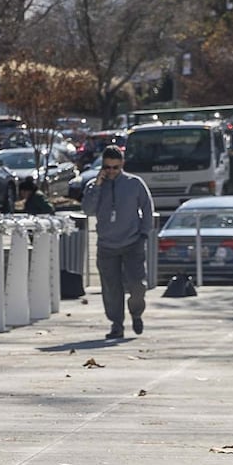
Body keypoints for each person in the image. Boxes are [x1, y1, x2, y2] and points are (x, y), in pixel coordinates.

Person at [80, 145, 154, 339]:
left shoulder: (134, 183)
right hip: (107, 245)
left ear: (122, 165)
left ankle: (136, 313)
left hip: (132, 243)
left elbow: (147, 208)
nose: (111, 171)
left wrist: (144, 233)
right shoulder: (94, 186)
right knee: (111, 288)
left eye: (115, 167)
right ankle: (116, 324)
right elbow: (88, 210)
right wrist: (97, 185)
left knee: (137, 284)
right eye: (108, 167)